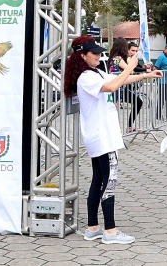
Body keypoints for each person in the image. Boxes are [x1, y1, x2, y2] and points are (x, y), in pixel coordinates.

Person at [64, 36, 161, 244]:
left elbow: (117, 81)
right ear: (82, 56)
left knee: (99, 180)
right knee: (109, 181)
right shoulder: (85, 77)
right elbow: (111, 87)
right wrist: (131, 66)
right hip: (102, 137)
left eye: (100, 53)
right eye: (95, 53)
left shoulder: (95, 72)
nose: (99, 56)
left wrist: (146, 75)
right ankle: (110, 230)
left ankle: (93, 227)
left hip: (101, 136)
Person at [111, 38, 144, 133]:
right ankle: (114, 133)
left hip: (119, 87)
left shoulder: (115, 58)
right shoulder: (118, 59)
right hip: (117, 87)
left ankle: (122, 130)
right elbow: (130, 70)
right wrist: (131, 64)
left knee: (115, 111)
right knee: (114, 111)